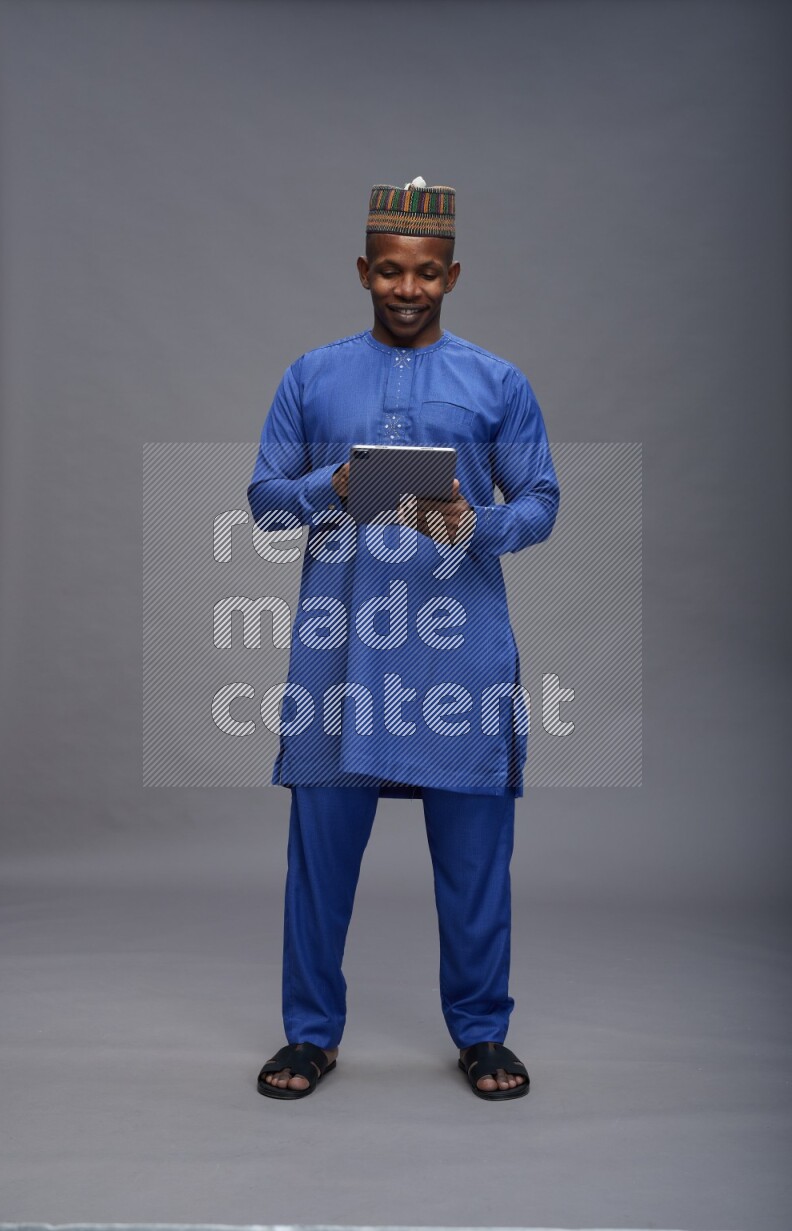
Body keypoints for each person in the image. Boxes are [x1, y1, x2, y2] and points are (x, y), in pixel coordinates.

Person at [247, 177, 560, 1101]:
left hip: (458, 652)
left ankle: (482, 1033)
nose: (407, 288)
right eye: (390, 270)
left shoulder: (498, 381)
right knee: (320, 857)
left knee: (474, 861)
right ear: (363, 270)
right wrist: (329, 488)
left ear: (452, 274)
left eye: (426, 273)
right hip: (341, 651)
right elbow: (264, 502)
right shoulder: (312, 375)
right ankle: (310, 1034)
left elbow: (543, 502)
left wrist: (475, 522)